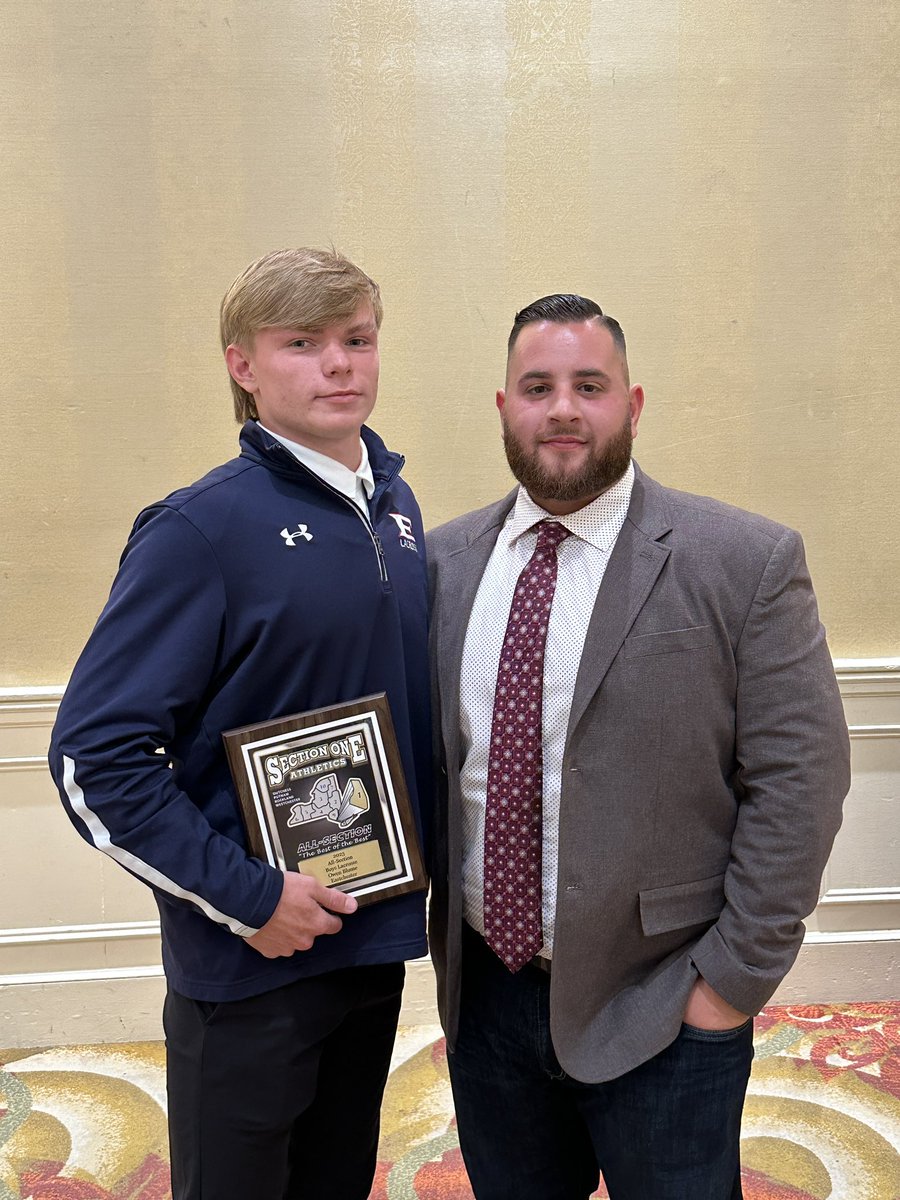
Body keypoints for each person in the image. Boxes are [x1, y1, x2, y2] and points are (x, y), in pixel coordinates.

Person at [426, 294, 850, 1200]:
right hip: (488, 995)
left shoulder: (744, 561)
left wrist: (726, 987)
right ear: (504, 408)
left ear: (634, 402)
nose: (564, 408)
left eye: (591, 385)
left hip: (661, 1000)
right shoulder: (443, 563)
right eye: (537, 387)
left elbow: (800, 783)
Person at [48, 247, 431, 1200]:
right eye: (302, 343)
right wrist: (251, 899)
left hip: (370, 933)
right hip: (249, 956)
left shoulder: (396, 507)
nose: (339, 364)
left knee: (336, 1176)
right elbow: (96, 760)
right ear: (243, 366)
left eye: (357, 338)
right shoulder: (198, 530)